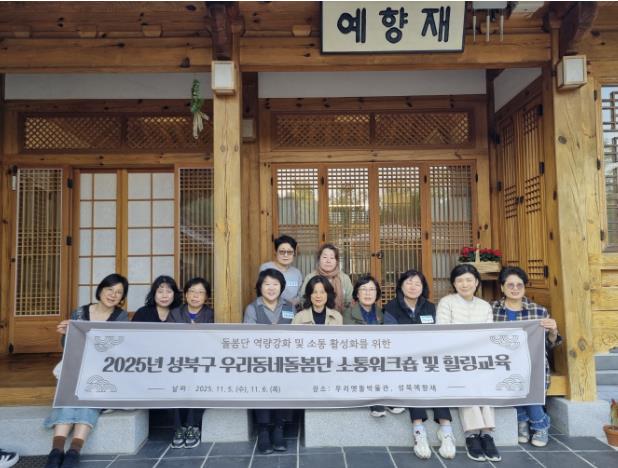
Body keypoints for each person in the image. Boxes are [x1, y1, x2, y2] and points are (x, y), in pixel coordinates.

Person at [45, 274, 129, 468]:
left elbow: (118, 348)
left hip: (103, 368)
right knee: (68, 397)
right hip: (77, 365)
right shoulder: (80, 312)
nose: (113, 295)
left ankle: (74, 451)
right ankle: (56, 451)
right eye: (110, 289)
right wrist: (66, 334)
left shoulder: (121, 316)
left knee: (89, 396)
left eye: (119, 292)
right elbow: (68, 347)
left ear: (122, 297)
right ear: (100, 290)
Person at [383, 269, 456, 460]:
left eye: (417, 283)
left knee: (437, 374)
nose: (413, 287)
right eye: (409, 282)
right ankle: (418, 429)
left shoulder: (430, 307)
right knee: (413, 377)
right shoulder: (391, 308)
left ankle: (446, 429)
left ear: (423, 287)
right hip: (403, 360)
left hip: (428, 358)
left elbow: (438, 336)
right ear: (401, 286)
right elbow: (391, 338)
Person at [436, 264, 501, 463]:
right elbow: (442, 333)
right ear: (454, 283)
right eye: (460, 280)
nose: (464, 284)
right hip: (455, 358)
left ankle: (487, 434)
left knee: (486, 379)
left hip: (480, 358)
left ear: (476, 282)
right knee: (467, 380)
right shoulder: (446, 302)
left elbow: (489, 335)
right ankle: (472, 434)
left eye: (469, 280)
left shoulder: (484, 306)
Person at [492, 266, 562, 448]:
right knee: (509, 380)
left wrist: (553, 331)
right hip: (502, 365)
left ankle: (539, 425)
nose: (515, 289)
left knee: (527, 381)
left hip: (533, 365)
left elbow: (550, 344)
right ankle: (523, 420)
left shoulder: (538, 311)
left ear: (524, 287)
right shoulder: (492, 310)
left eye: (519, 285)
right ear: (502, 287)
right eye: (510, 285)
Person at [244, 268, 296, 454]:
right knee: (261, 386)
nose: (271, 288)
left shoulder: (290, 307)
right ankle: (264, 430)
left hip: (285, 360)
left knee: (285, 383)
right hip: (261, 361)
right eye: (267, 284)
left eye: (275, 284)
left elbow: (296, 335)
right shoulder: (253, 308)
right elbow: (248, 339)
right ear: (260, 286)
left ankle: (279, 428)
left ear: (281, 287)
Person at [167, 277, 214, 449]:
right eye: (192, 292)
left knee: (199, 382)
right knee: (173, 384)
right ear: (186, 295)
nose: (195, 296)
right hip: (179, 361)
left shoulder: (211, 314)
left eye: (200, 292)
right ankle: (178, 428)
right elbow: (168, 338)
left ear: (206, 297)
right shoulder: (175, 313)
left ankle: (193, 426)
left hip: (202, 362)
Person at [343, 275, 391, 419]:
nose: (368, 293)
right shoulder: (348, 313)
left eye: (372, 289)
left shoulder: (382, 313)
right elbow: (351, 340)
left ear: (377, 293)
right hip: (358, 357)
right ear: (357, 294)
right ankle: (376, 402)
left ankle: (390, 399)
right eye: (363, 289)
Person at [300, 243, 353, 313]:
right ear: (319, 259)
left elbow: (350, 302)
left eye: (332, 258)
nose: (328, 261)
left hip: (341, 317)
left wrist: (339, 317)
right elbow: (303, 300)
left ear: (336, 261)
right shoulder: (310, 277)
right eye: (325, 257)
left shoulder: (344, 278)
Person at [259, 235, 304, 309]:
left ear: (294, 253)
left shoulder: (297, 273)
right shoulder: (266, 268)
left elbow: (300, 295)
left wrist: (295, 302)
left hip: (291, 309)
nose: (286, 255)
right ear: (275, 252)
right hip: (270, 309)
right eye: (282, 252)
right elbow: (261, 291)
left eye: (289, 252)